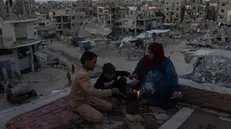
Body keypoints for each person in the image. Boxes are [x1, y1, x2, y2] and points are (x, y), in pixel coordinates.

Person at [70, 51, 120, 123]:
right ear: (87, 62)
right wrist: (110, 91)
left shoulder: (86, 72)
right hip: (79, 102)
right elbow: (91, 91)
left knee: (109, 106)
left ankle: (90, 107)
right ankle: (78, 109)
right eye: (94, 62)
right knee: (99, 118)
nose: (95, 65)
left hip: (87, 98)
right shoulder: (82, 75)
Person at [130, 43, 182, 109]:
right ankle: (146, 99)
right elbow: (138, 70)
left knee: (166, 93)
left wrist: (176, 89)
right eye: (148, 52)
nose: (148, 54)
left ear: (157, 53)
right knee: (133, 90)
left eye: (151, 53)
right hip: (146, 85)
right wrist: (135, 74)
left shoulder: (166, 62)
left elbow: (172, 76)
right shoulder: (145, 59)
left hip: (159, 86)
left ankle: (148, 100)